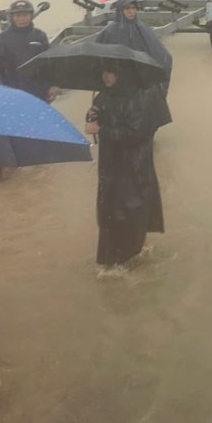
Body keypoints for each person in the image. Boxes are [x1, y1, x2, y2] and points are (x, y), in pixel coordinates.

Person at [84, 62, 163, 270]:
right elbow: (98, 115)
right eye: (103, 71)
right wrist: (92, 115)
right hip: (110, 166)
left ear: (122, 74)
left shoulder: (139, 97)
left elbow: (136, 134)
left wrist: (102, 129)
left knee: (130, 210)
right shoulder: (104, 95)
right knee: (109, 213)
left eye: (111, 72)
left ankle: (128, 260)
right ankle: (119, 259)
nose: (105, 76)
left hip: (134, 167)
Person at [96, 0, 174, 129]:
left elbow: (162, 55)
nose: (131, 12)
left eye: (133, 8)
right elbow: (99, 53)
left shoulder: (143, 30)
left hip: (139, 80)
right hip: (117, 80)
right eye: (127, 9)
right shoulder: (109, 32)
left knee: (141, 115)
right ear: (120, 11)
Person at [0, 0, 53, 101]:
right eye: (18, 16)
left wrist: (52, 86)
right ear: (12, 17)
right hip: (12, 91)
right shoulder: (2, 39)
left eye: (25, 15)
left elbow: (49, 64)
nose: (22, 19)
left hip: (38, 91)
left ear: (31, 16)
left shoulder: (40, 36)